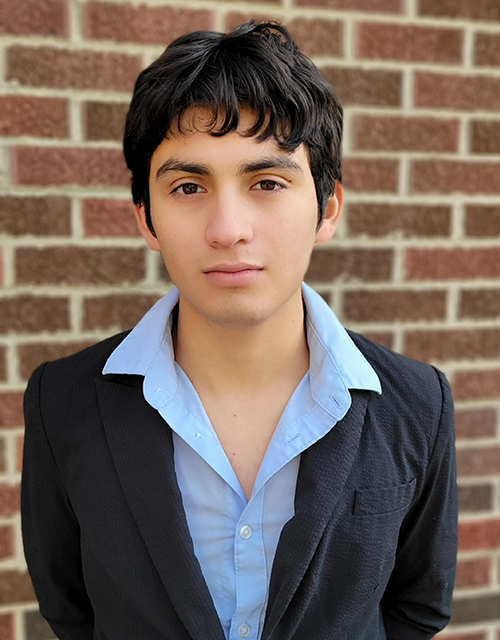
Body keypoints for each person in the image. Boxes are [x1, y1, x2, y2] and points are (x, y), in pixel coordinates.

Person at [21, 21, 458, 640]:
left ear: (327, 206)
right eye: (189, 186)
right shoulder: (61, 402)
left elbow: (417, 607)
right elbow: (72, 611)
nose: (228, 228)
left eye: (267, 183)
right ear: (146, 216)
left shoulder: (418, 403)